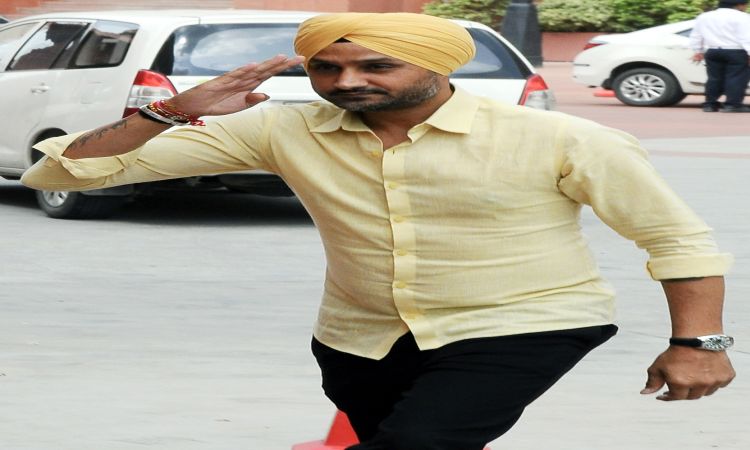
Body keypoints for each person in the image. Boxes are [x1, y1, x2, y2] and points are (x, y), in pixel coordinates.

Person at [22, 12, 735, 450]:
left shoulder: (565, 139)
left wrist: (697, 346)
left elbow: (677, 240)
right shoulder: (283, 126)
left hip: (525, 323)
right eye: (326, 66)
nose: (346, 79)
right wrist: (173, 110)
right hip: (358, 336)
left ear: (437, 65)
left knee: (420, 442)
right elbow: (64, 176)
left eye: (375, 64)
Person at [689, 0, 750, 112]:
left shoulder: (704, 16)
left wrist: (698, 50)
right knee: (736, 78)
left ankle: (710, 104)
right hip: (736, 51)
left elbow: (696, 35)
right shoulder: (743, 17)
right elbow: (746, 37)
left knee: (714, 78)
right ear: (739, 4)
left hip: (713, 51)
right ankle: (733, 105)